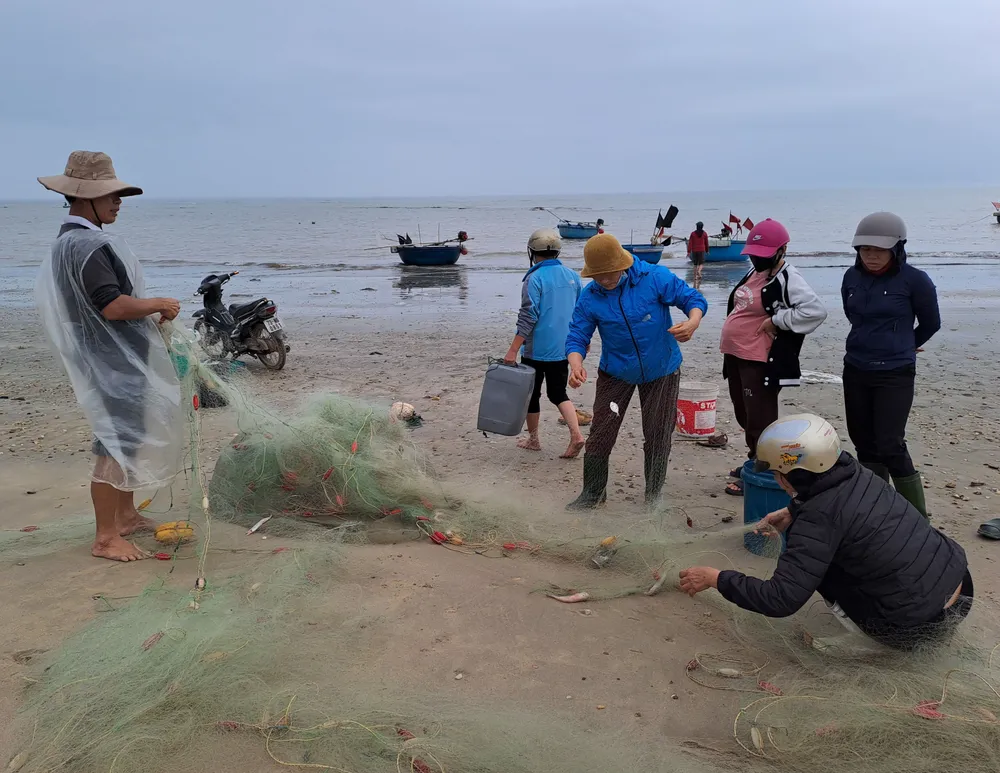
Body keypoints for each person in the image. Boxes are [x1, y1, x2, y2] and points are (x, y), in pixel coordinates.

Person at [679, 414, 972, 651]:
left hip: (918, 626)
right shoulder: (855, 472)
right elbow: (842, 509)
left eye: (778, 474)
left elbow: (780, 600)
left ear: (791, 474)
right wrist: (792, 511)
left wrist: (716, 578)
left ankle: (868, 642)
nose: (778, 481)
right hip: (961, 586)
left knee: (820, 566)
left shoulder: (817, 521)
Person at [35, 151, 184, 562]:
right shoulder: (89, 244)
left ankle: (126, 516)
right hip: (112, 363)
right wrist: (159, 303)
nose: (118, 202)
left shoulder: (68, 242)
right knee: (114, 445)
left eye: (119, 195)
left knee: (125, 440)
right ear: (84, 199)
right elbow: (111, 306)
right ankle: (105, 538)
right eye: (111, 195)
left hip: (104, 357)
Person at [565, 233, 708, 509]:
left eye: (609, 273)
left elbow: (692, 298)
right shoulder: (590, 297)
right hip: (616, 372)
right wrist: (575, 363)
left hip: (662, 369)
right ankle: (593, 493)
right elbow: (576, 335)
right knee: (601, 433)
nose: (604, 280)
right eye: (597, 275)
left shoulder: (654, 278)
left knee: (657, 433)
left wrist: (693, 322)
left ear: (622, 263)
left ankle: (653, 495)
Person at [842, 212, 940, 517]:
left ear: (897, 248)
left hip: (894, 372)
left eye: (878, 250)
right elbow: (853, 315)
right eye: (865, 249)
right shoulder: (851, 277)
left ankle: (916, 517)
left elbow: (931, 323)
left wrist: (905, 344)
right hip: (856, 367)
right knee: (863, 443)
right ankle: (876, 509)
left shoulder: (915, 280)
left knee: (890, 443)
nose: (870, 256)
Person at [721, 219, 827, 496]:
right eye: (754, 254)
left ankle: (765, 470)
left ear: (782, 251)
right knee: (743, 413)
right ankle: (755, 459)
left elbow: (815, 311)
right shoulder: (755, 273)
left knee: (760, 418)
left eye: (764, 255)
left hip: (759, 359)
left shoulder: (788, 278)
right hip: (736, 355)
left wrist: (778, 320)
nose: (757, 259)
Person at [504, 228, 586, 458]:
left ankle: (533, 440)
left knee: (531, 394)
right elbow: (581, 313)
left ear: (532, 252)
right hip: (564, 347)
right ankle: (576, 435)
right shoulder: (573, 276)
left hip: (536, 348)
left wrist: (512, 350)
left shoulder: (534, 278)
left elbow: (528, 316)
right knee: (558, 393)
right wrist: (582, 343)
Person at [687, 221, 710, 288]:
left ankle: (695, 278)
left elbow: (690, 243)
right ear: (702, 226)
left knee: (695, 264)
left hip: (694, 250)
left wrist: (688, 251)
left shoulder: (693, 234)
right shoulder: (704, 234)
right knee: (701, 263)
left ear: (696, 226)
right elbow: (706, 243)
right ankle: (699, 271)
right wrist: (707, 250)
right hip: (701, 250)